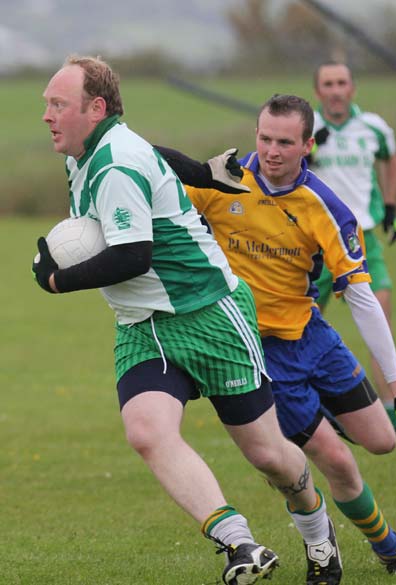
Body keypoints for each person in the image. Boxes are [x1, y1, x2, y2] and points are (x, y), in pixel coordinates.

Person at [32, 55, 343, 585]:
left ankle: (317, 532)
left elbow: (134, 256)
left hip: (209, 316)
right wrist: (202, 173)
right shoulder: (88, 149)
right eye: (47, 104)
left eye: (58, 104)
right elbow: (158, 155)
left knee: (270, 456)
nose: (47, 115)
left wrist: (55, 279)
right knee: (148, 432)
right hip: (142, 324)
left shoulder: (115, 164)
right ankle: (239, 542)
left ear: (96, 108)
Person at [185, 94, 396, 578]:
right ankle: (390, 549)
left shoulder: (324, 205)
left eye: (284, 142)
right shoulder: (220, 181)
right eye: (264, 138)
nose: (271, 151)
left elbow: (361, 298)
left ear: (307, 145)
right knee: (335, 459)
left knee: (383, 441)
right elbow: (161, 202)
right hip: (261, 352)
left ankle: (314, 423)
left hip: (313, 336)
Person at [309, 61, 396, 433]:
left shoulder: (374, 127)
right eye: (328, 83)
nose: (335, 90)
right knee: (299, 326)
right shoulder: (308, 128)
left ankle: (392, 406)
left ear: (352, 88)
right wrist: (311, 153)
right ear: (318, 92)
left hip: (362, 238)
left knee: (380, 317)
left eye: (342, 82)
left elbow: (391, 159)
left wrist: (391, 206)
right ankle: (305, 402)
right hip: (316, 243)